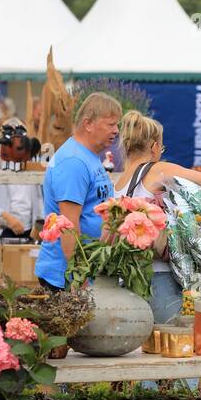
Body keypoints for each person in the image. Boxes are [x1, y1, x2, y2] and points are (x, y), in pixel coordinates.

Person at [111, 110, 201, 323]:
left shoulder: (119, 183)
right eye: (161, 147)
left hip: (130, 275)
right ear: (154, 146)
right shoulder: (157, 169)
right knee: (180, 334)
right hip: (160, 276)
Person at [35, 93, 121, 291]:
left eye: (117, 125)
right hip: (66, 278)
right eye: (110, 124)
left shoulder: (88, 156)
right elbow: (69, 226)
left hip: (82, 272)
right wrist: (80, 282)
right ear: (88, 124)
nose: (116, 131)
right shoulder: (73, 162)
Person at [0, 118, 45, 238]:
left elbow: (38, 196)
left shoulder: (28, 158)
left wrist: (39, 226)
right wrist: (8, 218)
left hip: (29, 230)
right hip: (2, 230)